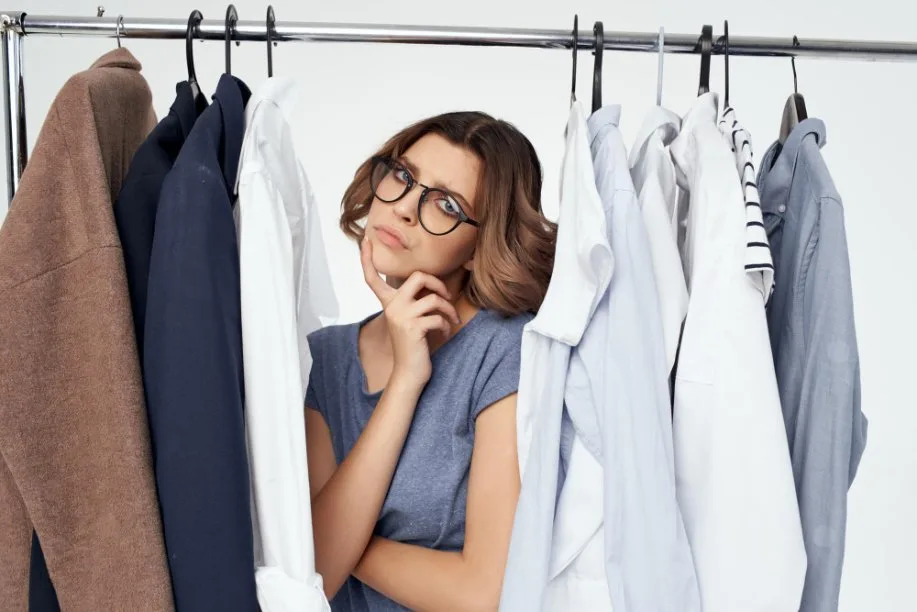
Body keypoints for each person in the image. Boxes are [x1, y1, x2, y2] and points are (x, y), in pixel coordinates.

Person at [304, 111, 557, 611]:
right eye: (403, 175)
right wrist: (405, 382)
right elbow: (314, 576)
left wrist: (340, 537)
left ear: (477, 247)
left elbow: (483, 594)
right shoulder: (324, 357)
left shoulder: (504, 350)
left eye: (445, 203)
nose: (402, 209)